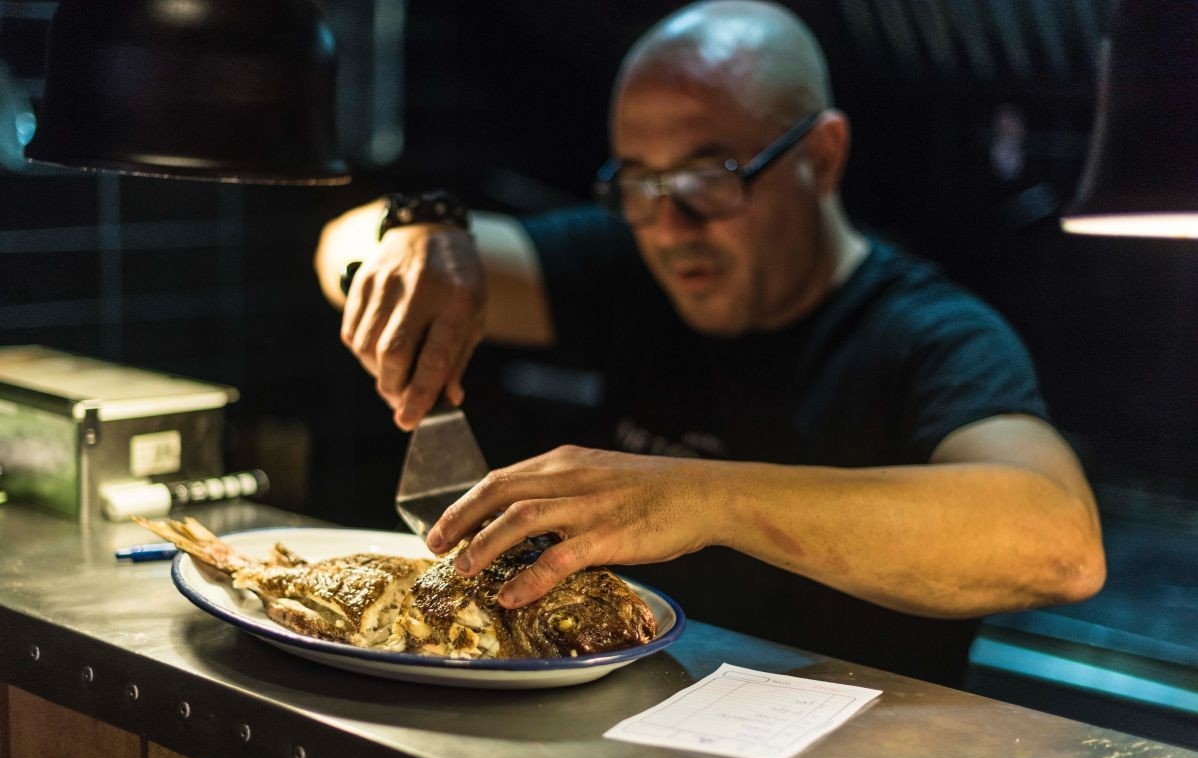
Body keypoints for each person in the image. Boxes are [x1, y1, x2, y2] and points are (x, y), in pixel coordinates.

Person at [314, 0, 1104, 685]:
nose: (668, 226)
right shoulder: (631, 264)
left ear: (821, 156)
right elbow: (341, 250)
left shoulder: (929, 335)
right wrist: (418, 232)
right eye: (638, 182)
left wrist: (702, 495)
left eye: (709, 177)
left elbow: (1059, 542)